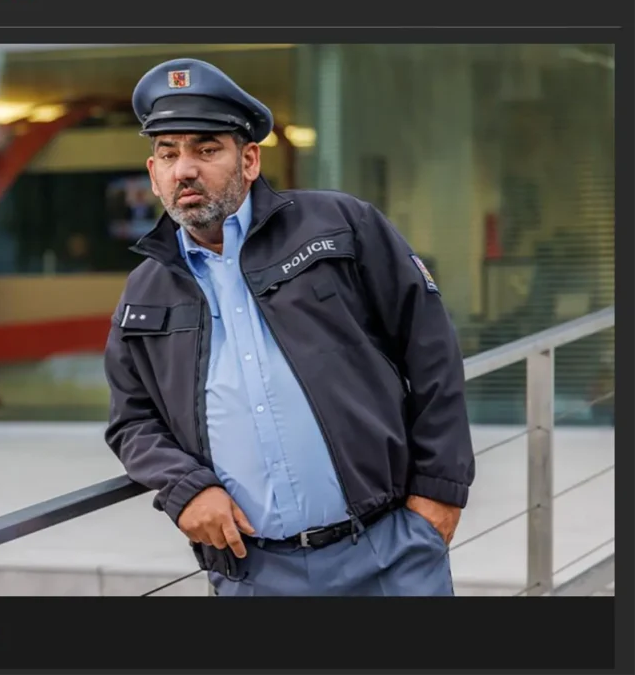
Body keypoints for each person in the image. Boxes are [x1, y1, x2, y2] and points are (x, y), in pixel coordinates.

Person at [103, 58, 476, 596]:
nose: (185, 168)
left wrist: (440, 493)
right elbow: (132, 420)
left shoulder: (342, 226)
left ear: (249, 159)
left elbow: (432, 352)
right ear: (153, 174)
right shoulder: (144, 290)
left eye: (206, 149)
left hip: (388, 550)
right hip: (255, 574)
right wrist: (184, 489)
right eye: (168, 154)